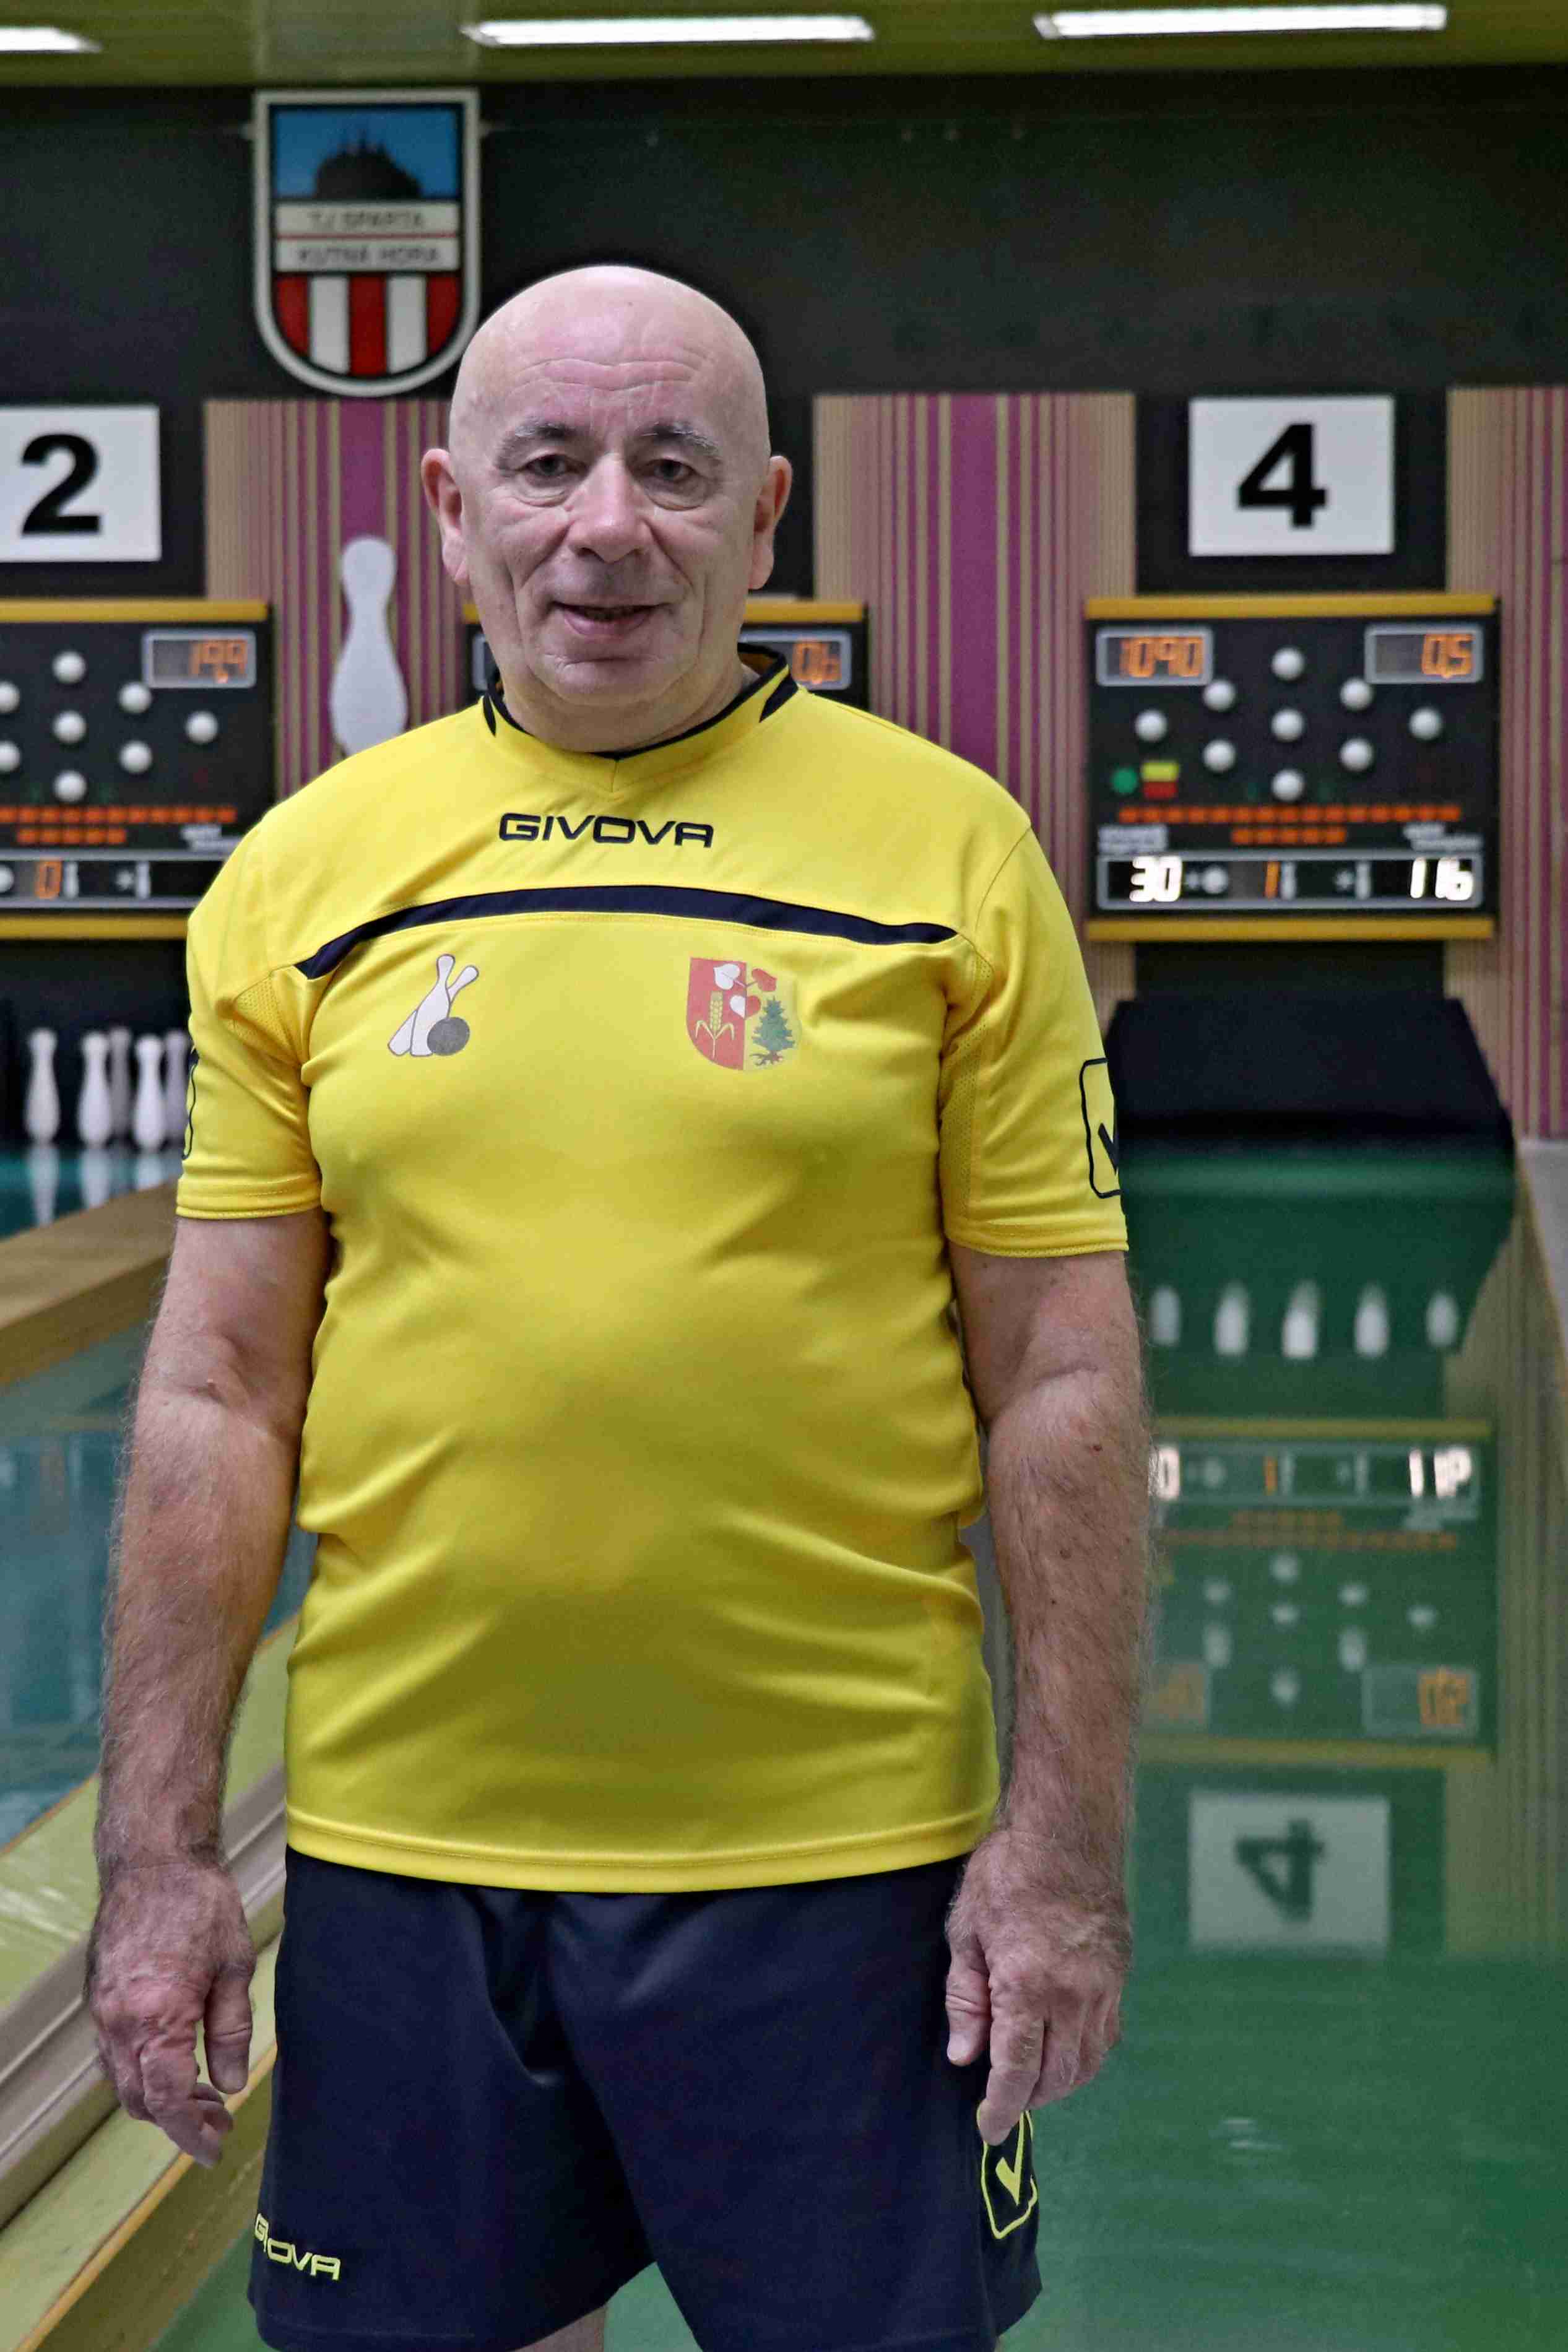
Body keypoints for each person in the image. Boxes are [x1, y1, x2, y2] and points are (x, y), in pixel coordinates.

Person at [86, 264, 1151, 2352]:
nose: (606, 527)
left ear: (764, 516)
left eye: (672, 468)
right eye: (548, 463)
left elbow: (1064, 1378)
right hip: (406, 1849)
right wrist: (158, 1857)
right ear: (450, 506)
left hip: (845, 1857)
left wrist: (1066, 1849)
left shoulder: (951, 853)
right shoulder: (305, 876)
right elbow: (216, 1393)